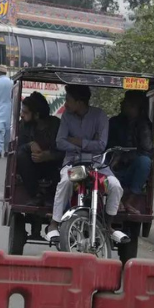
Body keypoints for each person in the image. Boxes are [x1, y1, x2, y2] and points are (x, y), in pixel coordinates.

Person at [44, 84, 127, 245]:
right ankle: (53, 223)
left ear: (80, 102)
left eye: (68, 100)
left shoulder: (100, 116)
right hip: (73, 163)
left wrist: (76, 141)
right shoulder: (67, 117)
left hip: (97, 165)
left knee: (116, 186)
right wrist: (87, 144)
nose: (65, 104)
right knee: (65, 182)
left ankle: (108, 225)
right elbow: (60, 142)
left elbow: (101, 145)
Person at [108, 89, 154, 212]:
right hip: (112, 168)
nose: (121, 104)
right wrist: (114, 157)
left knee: (145, 161)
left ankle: (129, 202)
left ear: (134, 106)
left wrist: (123, 158)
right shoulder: (114, 122)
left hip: (131, 169)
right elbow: (105, 145)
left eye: (125, 102)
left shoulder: (144, 125)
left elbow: (147, 151)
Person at [15, 91, 62, 205]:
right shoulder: (24, 125)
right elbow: (18, 148)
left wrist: (49, 155)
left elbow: (64, 150)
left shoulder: (56, 124)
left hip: (53, 167)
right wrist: (30, 145)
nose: (22, 115)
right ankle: (36, 194)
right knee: (21, 154)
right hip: (32, 168)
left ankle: (51, 197)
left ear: (36, 114)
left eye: (25, 112)